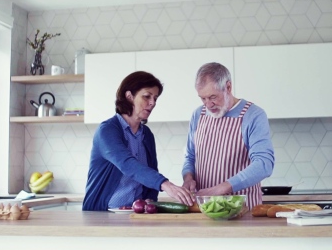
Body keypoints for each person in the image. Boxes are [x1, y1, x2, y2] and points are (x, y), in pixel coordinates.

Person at [83, 71, 194, 211]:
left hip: (135, 213)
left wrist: (149, 200)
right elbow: (127, 164)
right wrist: (166, 185)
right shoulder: (107, 130)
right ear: (129, 96)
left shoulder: (147, 135)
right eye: (147, 96)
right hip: (103, 214)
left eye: (155, 98)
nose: (153, 103)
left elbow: (151, 170)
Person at [181, 62, 275, 209]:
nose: (208, 105)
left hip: (243, 210)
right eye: (202, 98)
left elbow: (264, 164)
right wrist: (188, 177)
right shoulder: (198, 114)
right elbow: (190, 156)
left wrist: (221, 188)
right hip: (205, 210)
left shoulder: (253, 115)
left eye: (213, 97)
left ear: (228, 87)